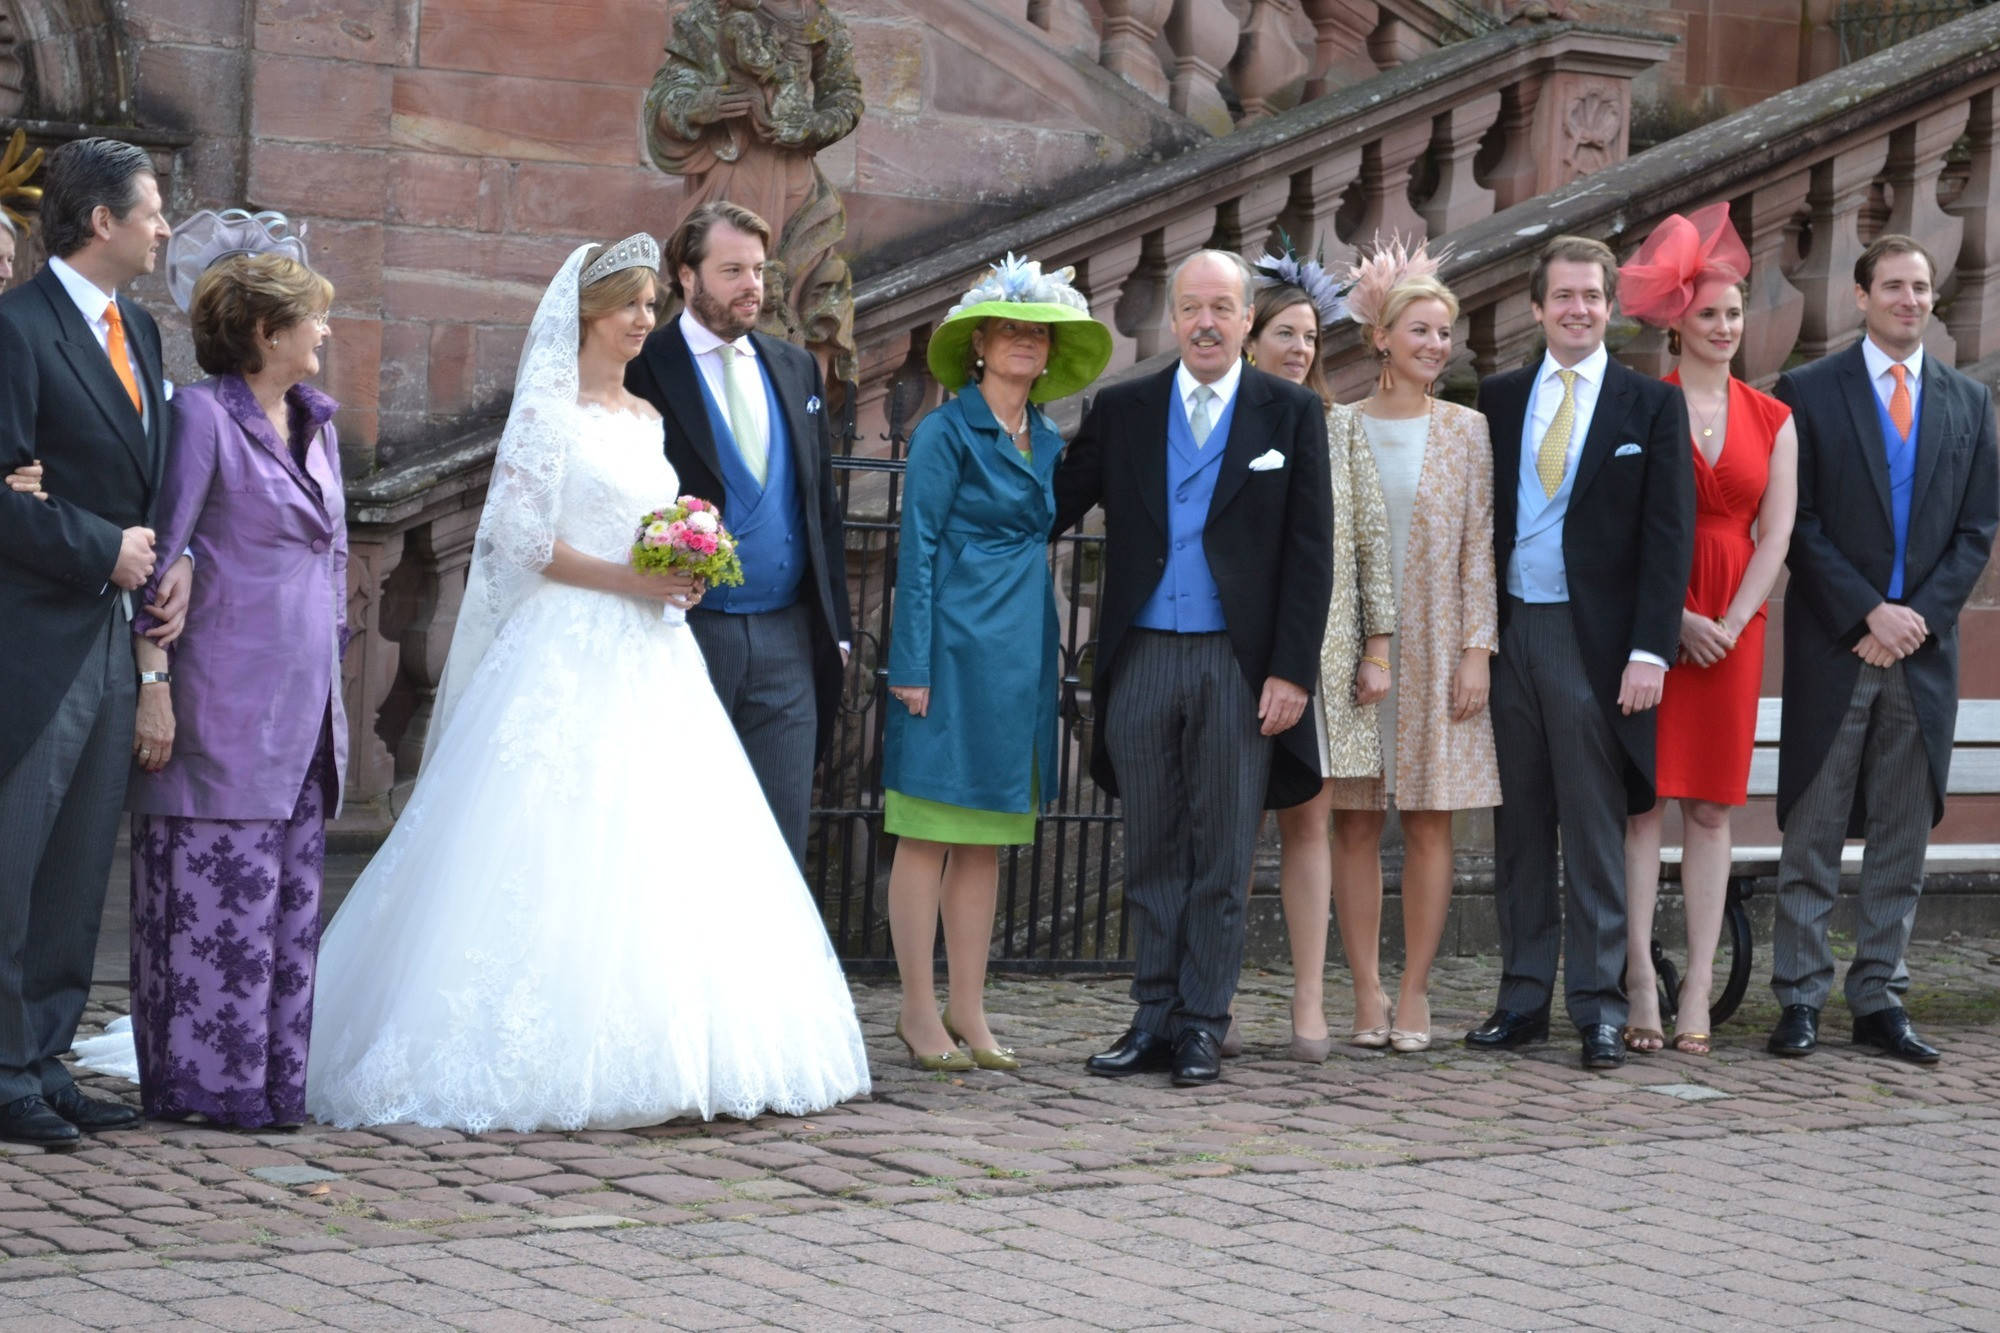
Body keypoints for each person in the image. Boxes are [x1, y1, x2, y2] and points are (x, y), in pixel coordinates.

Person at [304, 237, 870, 1131]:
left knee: (665, 843)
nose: (646, 320)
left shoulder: (647, 420)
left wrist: (683, 564)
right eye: (631, 306)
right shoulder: (547, 416)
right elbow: (522, 543)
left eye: (651, 305)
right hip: (568, 646)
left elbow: (650, 522)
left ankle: (682, 1044)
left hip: (655, 649)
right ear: (588, 315)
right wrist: (632, 580)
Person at [1057, 248, 1334, 1087]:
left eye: (1222, 306)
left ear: (1248, 319)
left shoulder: (1288, 413)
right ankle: (1153, 1014)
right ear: (1173, 320)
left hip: (1237, 664)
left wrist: (1291, 671)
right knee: (1151, 845)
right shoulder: (1126, 406)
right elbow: (1053, 503)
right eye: (1190, 308)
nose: (1205, 322)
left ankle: (1204, 1021)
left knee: (1220, 851)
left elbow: (1309, 552)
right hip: (1141, 652)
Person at [119, 211, 352, 1128]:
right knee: (214, 899)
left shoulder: (318, 422)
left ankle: (268, 1087)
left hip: (305, 709)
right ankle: (201, 1090)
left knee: (289, 904)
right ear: (265, 332)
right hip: (217, 705)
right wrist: (154, 685)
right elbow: (162, 556)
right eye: (313, 317)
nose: (325, 330)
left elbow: (330, 564)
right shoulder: (200, 416)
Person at [1767, 234, 1999, 1065]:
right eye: (1893, 286)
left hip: (1922, 654)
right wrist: (1868, 611)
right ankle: (1798, 996)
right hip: (1838, 644)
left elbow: (1977, 532)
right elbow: (1798, 523)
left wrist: (1915, 619)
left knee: (1904, 830)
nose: (1910, 299)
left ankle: (1879, 998)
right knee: (1813, 826)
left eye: (1922, 287)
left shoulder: (1970, 404)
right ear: (1859, 297)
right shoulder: (1808, 391)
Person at [1467, 234, 1694, 1071]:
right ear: (1537, 308)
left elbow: (1667, 539)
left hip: (1596, 643)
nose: (1578, 309)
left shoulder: (1649, 406)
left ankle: (1599, 1004)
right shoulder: (1497, 398)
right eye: (1563, 296)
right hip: (1511, 631)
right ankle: (1522, 996)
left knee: (1595, 829)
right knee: (1519, 825)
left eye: (1592, 296)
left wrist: (1649, 651)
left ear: (1611, 306)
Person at [883, 256, 1113, 1072]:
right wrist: (909, 662)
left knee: (983, 836)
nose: (1023, 343)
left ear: (1051, 353)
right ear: (979, 343)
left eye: (1036, 333)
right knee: (926, 830)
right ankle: (916, 1009)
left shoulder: (1048, 440)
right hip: (947, 647)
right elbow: (916, 554)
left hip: (1018, 649)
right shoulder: (945, 433)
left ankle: (969, 1009)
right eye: (1010, 329)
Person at [0, 137, 176, 1147]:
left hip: (114, 636)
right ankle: (2, 1068)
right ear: (101, 221)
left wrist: (166, 557)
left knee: (74, 868)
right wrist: (102, 547)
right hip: (33, 636)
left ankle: (46, 1056)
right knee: (15, 861)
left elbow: (146, 484)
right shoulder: (17, 333)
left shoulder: (141, 332)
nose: (163, 225)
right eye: (151, 210)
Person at [1616, 206, 1797, 1057]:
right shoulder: (1642, 406)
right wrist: (1674, 619)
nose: (1725, 328)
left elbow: (1777, 534)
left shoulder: (1774, 417)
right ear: (1677, 324)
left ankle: (1698, 984)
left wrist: (1728, 620)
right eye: (1708, 316)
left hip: (1736, 624)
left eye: (1733, 314)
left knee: (1713, 811)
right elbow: (1616, 525)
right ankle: (1640, 979)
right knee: (1643, 806)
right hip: (1656, 616)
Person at [626, 201, 851, 870]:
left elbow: (822, 509)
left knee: (779, 836)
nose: (753, 285)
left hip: (788, 635)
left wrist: (834, 628)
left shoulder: (795, 367)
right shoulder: (644, 364)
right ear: (686, 277)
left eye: (758, 269)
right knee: (680, 827)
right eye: (732, 270)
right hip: (688, 633)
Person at [1328, 242, 1501, 1055]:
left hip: (1438, 643)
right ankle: (1363, 987)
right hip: (1353, 649)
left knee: (1430, 820)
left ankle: (1415, 988)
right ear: (1382, 338)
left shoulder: (1468, 431)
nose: (1437, 345)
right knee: (1355, 822)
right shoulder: (1338, 426)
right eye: (1421, 330)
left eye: (1445, 333)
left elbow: (1480, 546)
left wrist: (1478, 650)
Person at [1233, 247, 1394, 1062]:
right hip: (1236, 658)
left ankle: (1307, 1000)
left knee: (1311, 822)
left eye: (1308, 336)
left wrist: (1376, 647)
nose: (1299, 349)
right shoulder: (1225, 422)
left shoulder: (1340, 428)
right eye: (1283, 334)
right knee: (1229, 829)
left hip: (1323, 667)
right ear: (1248, 339)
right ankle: (1213, 995)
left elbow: (1370, 544)